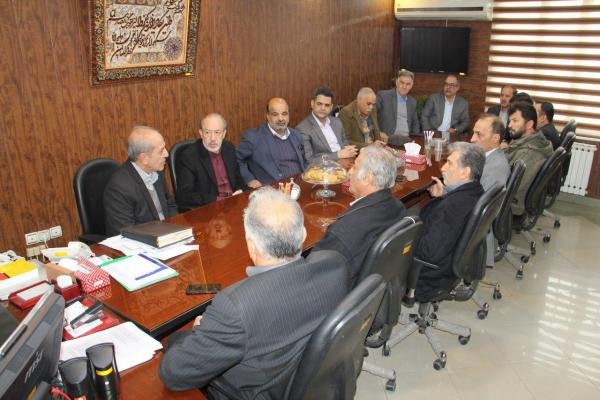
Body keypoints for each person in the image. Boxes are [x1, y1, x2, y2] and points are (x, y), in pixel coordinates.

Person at [159, 188, 349, 398]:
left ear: (251, 245)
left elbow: (173, 374)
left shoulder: (234, 307)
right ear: (303, 234)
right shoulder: (335, 264)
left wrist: (194, 333)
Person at [311, 144, 406, 287]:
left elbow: (312, 275)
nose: (349, 172)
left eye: (354, 167)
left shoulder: (342, 233)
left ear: (367, 178)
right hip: (379, 288)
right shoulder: (399, 208)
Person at [414, 142, 485, 301]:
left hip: (428, 278)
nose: (443, 168)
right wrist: (446, 194)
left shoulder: (452, 207)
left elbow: (428, 253)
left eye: (449, 163)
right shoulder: (476, 191)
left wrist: (406, 237)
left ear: (465, 172)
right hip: (450, 267)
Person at [103, 126, 177, 236]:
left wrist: (178, 231)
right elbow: (125, 232)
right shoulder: (119, 187)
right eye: (161, 151)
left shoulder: (156, 171)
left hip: (167, 234)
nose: (166, 154)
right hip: (144, 241)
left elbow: (170, 205)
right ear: (144, 158)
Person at [175, 113, 246, 210]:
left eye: (217, 132)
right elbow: (185, 195)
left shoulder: (229, 148)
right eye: (207, 132)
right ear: (201, 133)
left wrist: (240, 191)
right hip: (209, 208)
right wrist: (218, 200)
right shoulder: (189, 156)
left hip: (233, 204)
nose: (212, 138)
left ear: (224, 134)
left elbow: (238, 178)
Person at [236, 98, 307, 188]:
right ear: (268, 116)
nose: (281, 118)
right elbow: (237, 160)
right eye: (275, 114)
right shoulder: (253, 137)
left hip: (300, 185)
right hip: (273, 190)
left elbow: (304, 161)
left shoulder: (296, 135)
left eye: (284, 114)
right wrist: (250, 180)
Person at [470, 114, 510, 267]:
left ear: (495, 138)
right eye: (473, 133)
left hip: (477, 232)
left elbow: (479, 208)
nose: (472, 139)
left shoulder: (496, 167)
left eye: (479, 134)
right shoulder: (488, 157)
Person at [504, 102, 553, 216]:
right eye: (509, 121)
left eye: (515, 121)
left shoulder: (527, 154)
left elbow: (512, 187)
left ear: (529, 124)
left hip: (511, 205)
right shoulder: (535, 139)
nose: (509, 125)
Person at [296, 87, 357, 164]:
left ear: (331, 107)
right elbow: (309, 160)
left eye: (327, 105)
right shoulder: (303, 129)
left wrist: (349, 150)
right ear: (312, 103)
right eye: (319, 104)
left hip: (346, 163)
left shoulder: (337, 122)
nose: (323, 108)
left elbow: (345, 144)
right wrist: (337, 155)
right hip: (325, 168)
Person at [376, 69, 421, 145]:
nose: (404, 86)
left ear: (411, 85)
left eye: (408, 84)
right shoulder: (383, 96)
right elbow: (371, 116)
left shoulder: (412, 102)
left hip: (407, 141)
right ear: (396, 82)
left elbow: (415, 123)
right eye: (402, 83)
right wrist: (378, 132)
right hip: (387, 140)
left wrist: (415, 140)